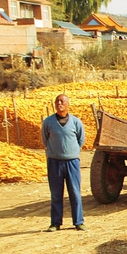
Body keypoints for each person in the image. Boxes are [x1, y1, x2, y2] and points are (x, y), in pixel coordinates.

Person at [41, 94, 86, 232]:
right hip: (54, 162)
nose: (59, 103)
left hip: (72, 162)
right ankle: (55, 223)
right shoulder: (48, 122)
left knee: (75, 192)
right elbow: (45, 140)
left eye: (62, 101)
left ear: (67, 104)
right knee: (56, 193)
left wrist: (71, 152)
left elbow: (81, 140)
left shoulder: (76, 122)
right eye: (57, 101)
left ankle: (78, 222)